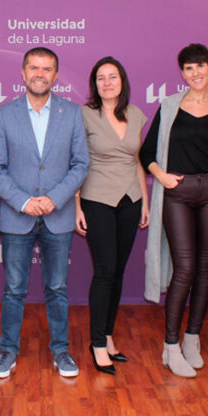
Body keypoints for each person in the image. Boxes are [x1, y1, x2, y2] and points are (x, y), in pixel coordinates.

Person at [0, 47, 89, 379]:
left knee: (57, 288)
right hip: (17, 216)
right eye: (34, 67)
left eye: (47, 69)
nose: (40, 74)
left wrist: (55, 199)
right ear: (23, 72)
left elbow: (80, 164)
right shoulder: (5, 114)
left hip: (56, 215)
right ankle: (7, 352)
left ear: (55, 75)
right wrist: (24, 201)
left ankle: (61, 351)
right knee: (14, 288)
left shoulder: (72, 113)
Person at [141, 44, 208, 378]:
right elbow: (146, 154)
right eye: (188, 69)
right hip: (177, 193)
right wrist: (162, 176)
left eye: (200, 66)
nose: (195, 73)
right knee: (184, 268)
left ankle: (192, 337)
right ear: (181, 73)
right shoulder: (169, 106)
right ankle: (170, 346)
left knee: (204, 267)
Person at [74, 57, 149, 375]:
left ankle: (107, 336)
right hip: (97, 199)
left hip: (130, 200)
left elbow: (137, 160)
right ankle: (97, 344)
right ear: (95, 84)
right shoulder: (84, 115)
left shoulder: (135, 114)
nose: (107, 82)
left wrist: (144, 201)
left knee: (117, 272)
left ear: (122, 81)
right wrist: (77, 205)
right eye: (101, 78)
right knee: (104, 271)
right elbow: (75, 160)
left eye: (113, 76)